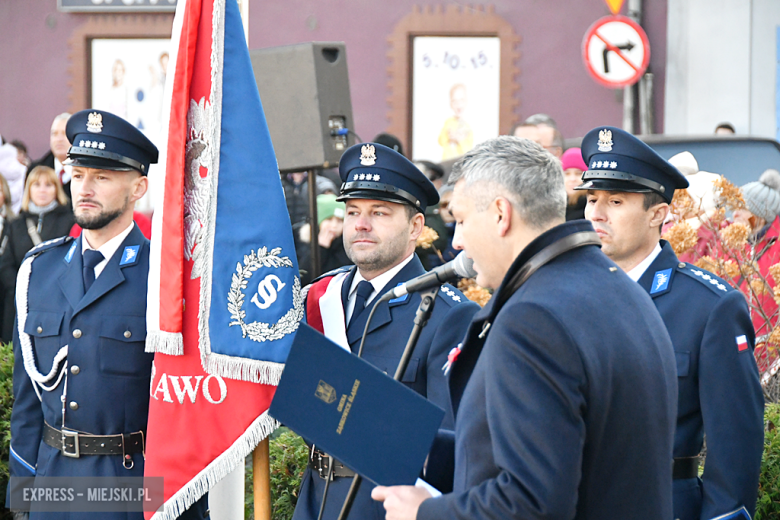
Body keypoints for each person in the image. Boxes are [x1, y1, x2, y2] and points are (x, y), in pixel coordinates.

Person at [373, 136, 678, 519]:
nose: (458, 240)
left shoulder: (533, 317)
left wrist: (425, 513)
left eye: (463, 220)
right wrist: (427, 448)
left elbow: (533, 503)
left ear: (501, 214)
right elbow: (580, 452)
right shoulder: (614, 286)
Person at [6, 109, 207, 519]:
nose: (85, 188)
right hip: (52, 482)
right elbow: (27, 400)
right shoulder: (39, 270)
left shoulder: (164, 279)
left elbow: (185, 410)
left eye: (102, 177)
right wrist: (23, 497)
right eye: (78, 175)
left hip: (129, 482)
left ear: (138, 188)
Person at [581, 126, 764, 520]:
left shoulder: (708, 306)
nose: (596, 213)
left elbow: (735, 440)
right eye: (592, 198)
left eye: (615, 201)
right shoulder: (569, 295)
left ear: (658, 215)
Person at [293, 142, 479, 520]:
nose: (361, 223)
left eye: (379, 212)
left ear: (415, 227)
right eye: (353, 211)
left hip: (382, 506)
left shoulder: (447, 314)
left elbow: (447, 452)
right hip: (314, 500)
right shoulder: (321, 296)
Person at [0, 166, 74, 342]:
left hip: (57, 301)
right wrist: (23, 286)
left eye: (48, 185)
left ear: (56, 189)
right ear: (28, 189)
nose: (42, 189)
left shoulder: (70, 221)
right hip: (18, 302)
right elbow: (5, 263)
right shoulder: (15, 223)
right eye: (36, 184)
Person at [28, 113, 73, 200]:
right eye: (54, 134)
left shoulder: (86, 171)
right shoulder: (35, 170)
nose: (59, 139)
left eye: (64, 134)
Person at [437, 84, 473, 161]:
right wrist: (448, 136)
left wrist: (460, 140)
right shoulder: (448, 122)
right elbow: (441, 141)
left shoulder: (467, 127)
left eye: (461, 100)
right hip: (446, 162)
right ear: (450, 104)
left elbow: (469, 150)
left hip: (460, 163)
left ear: (466, 102)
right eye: (454, 101)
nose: (458, 104)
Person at [560, 147, 587, 220]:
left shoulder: (591, 212)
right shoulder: (553, 209)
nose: (572, 179)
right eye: (567, 173)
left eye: (578, 173)